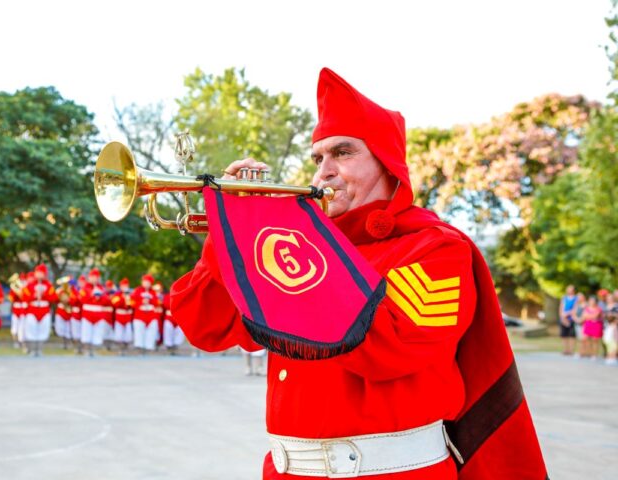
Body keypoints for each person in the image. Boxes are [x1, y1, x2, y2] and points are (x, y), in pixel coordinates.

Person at [170, 68, 547, 479]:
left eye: (343, 153)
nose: (323, 171)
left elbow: (386, 347)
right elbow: (205, 326)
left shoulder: (438, 248)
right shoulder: (302, 246)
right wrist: (232, 231)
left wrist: (285, 236)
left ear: (387, 164)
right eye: (318, 158)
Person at [23, 264, 57, 357]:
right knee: (31, 329)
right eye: (38, 273)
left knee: (43, 330)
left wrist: (44, 295)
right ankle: (32, 349)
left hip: (44, 309)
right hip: (33, 309)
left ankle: (40, 349)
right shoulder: (29, 285)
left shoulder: (49, 286)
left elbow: (54, 298)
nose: (40, 275)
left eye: (42, 273)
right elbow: (24, 297)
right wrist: (34, 296)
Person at [79, 268, 109, 357]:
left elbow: (107, 301)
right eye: (92, 277)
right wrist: (91, 296)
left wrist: (100, 298)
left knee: (97, 332)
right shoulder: (85, 288)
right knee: (86, 331)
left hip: (98, 313)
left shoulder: (101, 288)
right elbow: (81, 299)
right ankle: (86, 349)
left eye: (96, 277)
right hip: (88, 313)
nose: (94, 279)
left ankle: (94, 349)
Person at [131, 274, 160, 353]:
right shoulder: (137, 290)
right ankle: (139, 346)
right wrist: (141, 302)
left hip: (151, 314)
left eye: (148, 282)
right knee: (139, 330)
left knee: (151, 329)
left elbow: (157, 302)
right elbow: (132, 301)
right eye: (145, 282)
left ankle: (149, 346)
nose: (146, 284)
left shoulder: (153, 292)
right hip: (140, 313)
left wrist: (150, 301)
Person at [160, 283, 184, 354]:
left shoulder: (181, 295)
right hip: (169, 316)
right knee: (168, 331)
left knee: (179, 332)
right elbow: (166, 305)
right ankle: (169, 346)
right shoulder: (167, 296)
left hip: (178, 317)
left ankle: (176, 345)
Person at [111, 278, 133, 355]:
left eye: (126, 285)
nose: (124, 287)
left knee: (128, 333)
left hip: (128, 316)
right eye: (123, 286)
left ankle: (125, 347)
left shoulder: (131, 294)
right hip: (120, 316)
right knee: (119, 333)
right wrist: (122, 298)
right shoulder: (117, 295)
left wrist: (128, 299)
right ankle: (120, 348)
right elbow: (114, 303)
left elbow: (133, 304)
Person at [9, 272, 29, 350]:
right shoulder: (15, 287)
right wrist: (15, 291)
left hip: (24, 309)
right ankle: (15, 342)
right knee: (15, 327)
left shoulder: (26, 288)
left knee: (22, 327)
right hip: (16, 309)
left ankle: (22, 342)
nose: (22, 282)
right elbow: (11, 298)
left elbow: (26, 297)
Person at [54, 278, 74, 349]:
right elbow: (55, 299)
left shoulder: (71, 291)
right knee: (60, 328)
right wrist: (61, 298)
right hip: (61, 310)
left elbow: (74, 299)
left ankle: (67, 343)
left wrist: (69, 300)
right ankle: (63, 342)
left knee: (68, 328)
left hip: (68, 310)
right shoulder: (59, 291)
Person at [558, 285, 578, 355]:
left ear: (573, 290)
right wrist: (563, 317)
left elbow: (575, 308)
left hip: (572, 319)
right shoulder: (564, 298)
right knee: (564, 335)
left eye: (570, 289)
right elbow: (561, 308)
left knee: (572, 335)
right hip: (563, 318)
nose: (568, 290)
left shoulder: (576, 298)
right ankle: (565, 350)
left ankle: (571, 350)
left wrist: (567, 313)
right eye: (568, 289)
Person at [71, 275, 86, 354]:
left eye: (83, 282)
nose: (81, 283)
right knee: (75, 332)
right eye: (80, 282)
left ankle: (83, 348)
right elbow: (72, 301)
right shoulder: (74, 290)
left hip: (83, 314)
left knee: (83, 332)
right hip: (75, 314)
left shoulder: (86, 290)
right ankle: (76, 347)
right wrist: (78, 297)